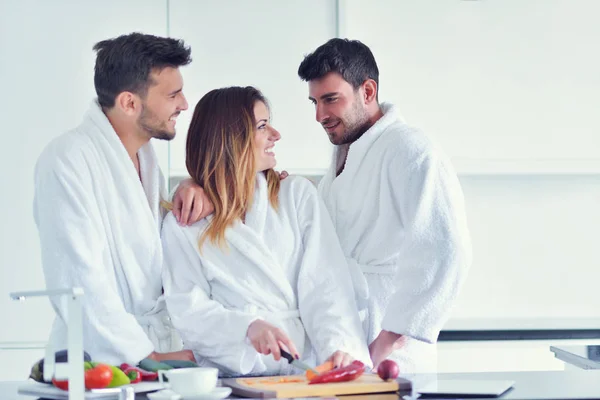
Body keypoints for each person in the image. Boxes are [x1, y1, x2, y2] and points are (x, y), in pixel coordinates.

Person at [161, 86, 370, 376]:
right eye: (262, 126)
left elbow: (327, 285)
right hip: (230, 378)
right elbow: (187, 308)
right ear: (230, 139)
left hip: (305, 370)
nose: (276, 134)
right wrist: (247, 328)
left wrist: (339, 348)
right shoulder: (184, 223)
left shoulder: (296, 196)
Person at [296, 38, 472, 373]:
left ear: (367, 91)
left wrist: (390, 337)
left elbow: (447, 249)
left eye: (330, 99)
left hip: (390, 348)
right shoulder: (347, 153)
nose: (320, 115)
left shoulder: (411, 150)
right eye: (314, 102)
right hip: (345, 340)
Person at [33, 32, 204, 365]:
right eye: (173, 94)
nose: (184, 104)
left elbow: (149, 255)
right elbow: (78, 276)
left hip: (152, 354)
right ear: (129, 103)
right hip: (99, 360)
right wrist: (143, 353)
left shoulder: (147, 158)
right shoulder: (67, 159)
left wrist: (194, 190)